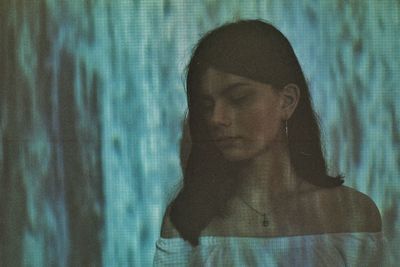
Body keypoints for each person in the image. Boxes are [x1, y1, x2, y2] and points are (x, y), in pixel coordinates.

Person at [153, 20, 385, 266]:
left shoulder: (353, 215)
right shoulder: (187, 221)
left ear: (287, 101)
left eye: (238, 98)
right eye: (207, 105)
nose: (216, 118)